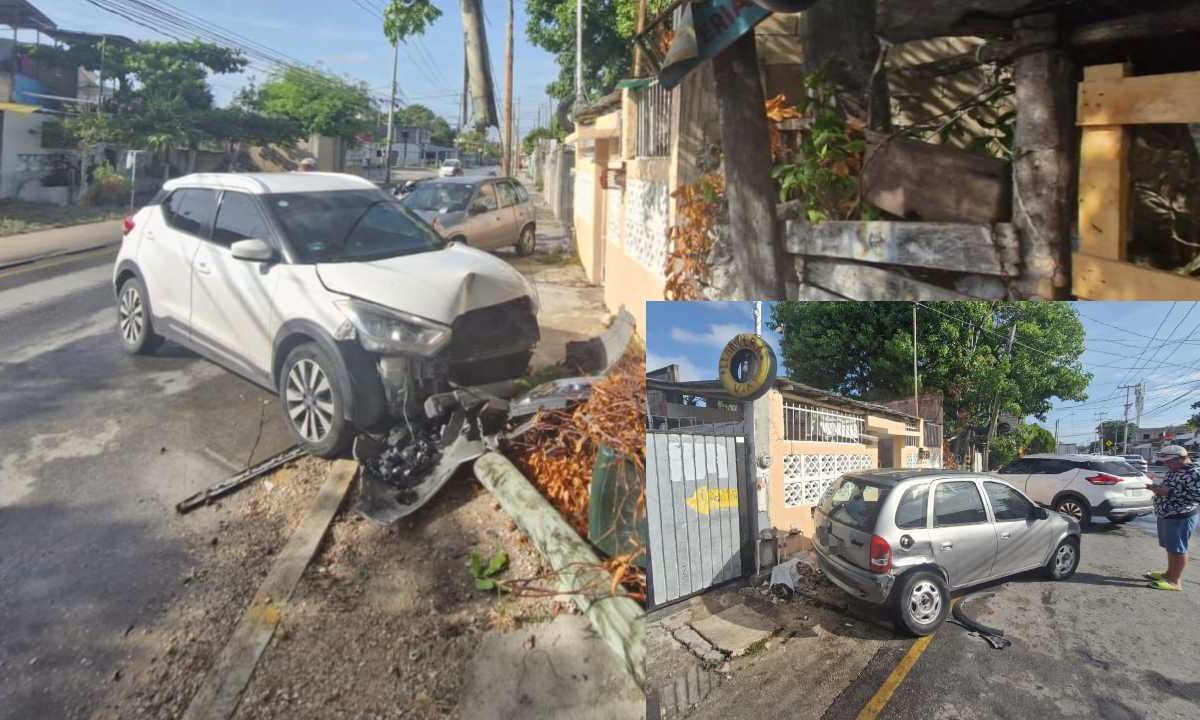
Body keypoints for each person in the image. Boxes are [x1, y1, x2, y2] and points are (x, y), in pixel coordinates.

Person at [1145, 445, 1200, 591]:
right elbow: (1168, 487)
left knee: (1178, 549)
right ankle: (1168, 574)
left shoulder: (1195, 473)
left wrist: (1167, 492)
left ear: (1182, 458)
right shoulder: (1175, 470)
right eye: (1165, 462)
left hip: (1181, 516)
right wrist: (1155, 486)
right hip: (1167, 514)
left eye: (1170, 461)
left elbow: (1196, 496)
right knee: (1171, 548)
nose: (1167, 464)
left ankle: (1175, 581)